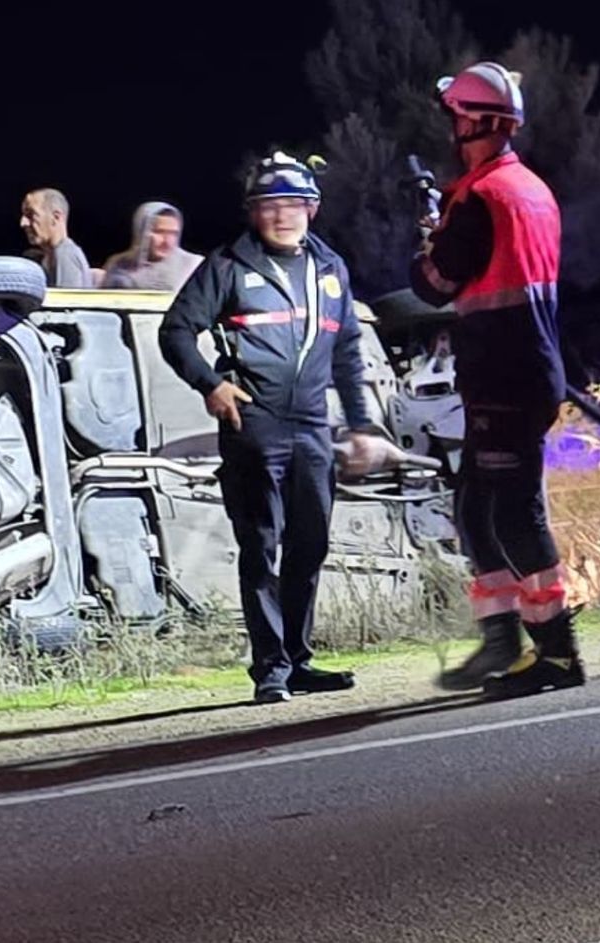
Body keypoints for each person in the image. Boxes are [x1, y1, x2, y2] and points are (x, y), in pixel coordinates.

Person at [158, 151, 388, 704]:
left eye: (293, 204)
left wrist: (361, 425)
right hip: (254, 424)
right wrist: (211, 384)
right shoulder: (228, 266)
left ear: (312, 208)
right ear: (253, 212)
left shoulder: (331, 269)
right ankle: (271, 670)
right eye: (269, 205)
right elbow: (176, 331)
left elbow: (350, 352)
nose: (283, 215)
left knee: (310, 544)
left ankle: (300, 659)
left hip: (312, 427)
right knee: (261, 546)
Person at [408, 61, 582, 699]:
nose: (451, 128)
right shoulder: (528, 187)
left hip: (504, 374)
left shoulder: (481, 197)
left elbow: (435, 283)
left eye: (456, 117)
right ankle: (503, 644)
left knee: (512, 514)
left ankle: (558, 654)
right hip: (523, 370)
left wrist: (430, 244)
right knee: (475, 510)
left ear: (472, 122)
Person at [100, 201, 206, 291]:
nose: (167, 241)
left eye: (173, 233)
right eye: (159, 232)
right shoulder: (118, 264)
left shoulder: (193, 265)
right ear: (141, 231)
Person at [19, 188, 94, 288]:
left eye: (31, 215)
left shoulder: (66, 254)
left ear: (56, 217)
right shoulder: (42, 258)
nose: (23, 223)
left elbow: (68, 302)